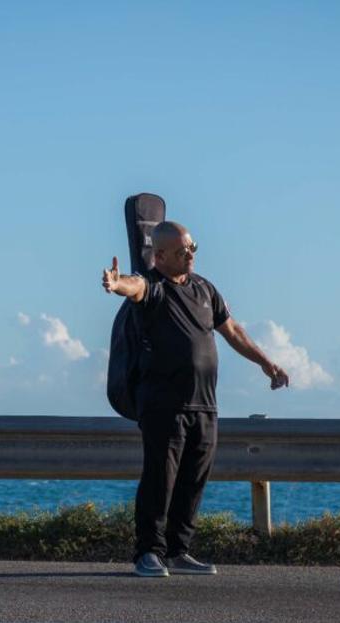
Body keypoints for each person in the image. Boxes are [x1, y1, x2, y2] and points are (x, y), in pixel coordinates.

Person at [101, 221, 289, 577]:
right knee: (161, 480)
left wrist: (267, 363)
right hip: (163, 405)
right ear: (159, 256)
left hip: (204, 404)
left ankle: (177, 551)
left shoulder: (205, 289)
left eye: (193, 247)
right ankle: (148, 553)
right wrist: (116, 284)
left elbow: (232, 330)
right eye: (183, 250)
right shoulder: (154, 287)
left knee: (193, 481)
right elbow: (134, 286)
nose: (191, 254)